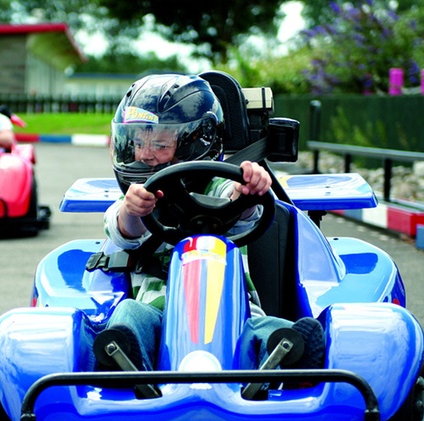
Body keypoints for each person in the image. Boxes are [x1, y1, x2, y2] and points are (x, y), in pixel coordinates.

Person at [93, 73, 325, 391]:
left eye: (160, 144)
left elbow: (242, 207)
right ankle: (124, 358)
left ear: (195, 142)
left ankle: (292, 352)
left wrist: (250, 189)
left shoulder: (222, 186)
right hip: (160, 312)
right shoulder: (138, 198)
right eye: (137, 142)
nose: (145, 154)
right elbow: (122, 233)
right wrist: (133, 210)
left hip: (235, 315)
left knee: (267, 329)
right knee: (128, 314)